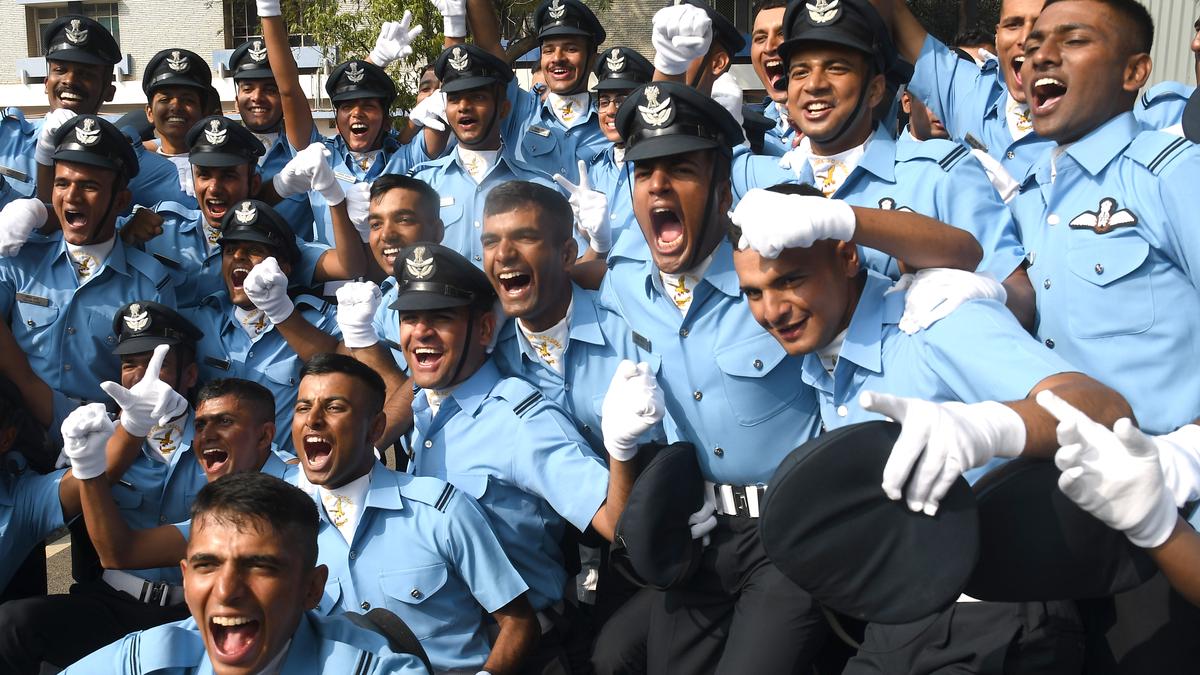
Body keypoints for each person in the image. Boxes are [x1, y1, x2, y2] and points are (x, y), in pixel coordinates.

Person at [594, 80, 981, 673]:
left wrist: (844, 218)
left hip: (793, 530)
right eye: (644, 173)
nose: (658, 186)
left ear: (724, 187)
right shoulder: (627, 280)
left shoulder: (781, 260)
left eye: (681, 170)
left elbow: (962, 251)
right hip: (699, 530)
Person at [731, 181, 1135, 672]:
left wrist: (984, 426)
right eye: (754, 292)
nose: (772, 311)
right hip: (901, 618)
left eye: (791, 280)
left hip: (999, 617)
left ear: (847, 258)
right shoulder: (822, 355)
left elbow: (1104, 410)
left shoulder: (933, 320)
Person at [337, 242, 656, 671]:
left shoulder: (519, 421)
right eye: (410, 318)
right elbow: (410, 386)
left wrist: (621, 449)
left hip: (520, 654)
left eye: (441, 318)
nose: (421, 332)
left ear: (485, 331)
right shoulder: (422, 405)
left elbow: (617, 526)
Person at [291, 353, 539, 673]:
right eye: (302, 407)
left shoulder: (440, 511)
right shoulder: (285, 534)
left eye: (334, 407)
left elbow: (518, 622)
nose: (313, 419)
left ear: (376, 427)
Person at [63, 471, 432, 674]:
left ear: (311, 589)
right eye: (207, 565)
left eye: (260, 566)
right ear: (185, 577)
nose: (226, 590)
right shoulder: (150, 660)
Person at [0, 316, 206, 671]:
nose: (141, 377)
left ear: (189, 376)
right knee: (15, 623)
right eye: (130, 365)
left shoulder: (218, 442)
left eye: (157, 364)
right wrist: (59, 595)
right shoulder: (94, 432)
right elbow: (57, 534)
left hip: (190, 607)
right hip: (112, 600)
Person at [0, 115, 175, 439]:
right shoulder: (21, 258)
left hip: (103, 437)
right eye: (62, 183)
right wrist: (29, 387)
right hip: (17, 435)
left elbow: (148, 386)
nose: (72, 197)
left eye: (89, 186)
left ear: (121, 201)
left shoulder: (148, 283)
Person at [258, 0, 444, 246]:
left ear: (386, 120)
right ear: (336, 120)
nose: (357, 114)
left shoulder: (406, 157)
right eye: (346, 107)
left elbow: (450, 95)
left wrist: (454, 24)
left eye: (368, 106)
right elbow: (289, 90)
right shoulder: (319, 156)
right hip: (336, 282)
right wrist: (268, 8)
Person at [141, 115, 364, 307]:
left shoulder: (272, 242)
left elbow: (348, 266)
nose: (214, 188)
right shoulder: (160, 227)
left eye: (228, 176)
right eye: (204, 175)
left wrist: (333, 195)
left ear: (254, 184)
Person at [185, 199, 340, 452]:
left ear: (284, 269)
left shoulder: (318, 322)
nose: (238, 257)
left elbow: (343, 372)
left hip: (285, 476)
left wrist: (281, 311)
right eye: (230, 250)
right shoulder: (200, 320)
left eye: (253, 250)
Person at [409, 43, 566, 267]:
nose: (463, 107)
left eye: (477, 97)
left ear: (503, 109)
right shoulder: (423, 184)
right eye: (454, 99)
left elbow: (564, 268)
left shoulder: (540, 187)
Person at [883, 0, 1055, 179]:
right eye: (1013, 25)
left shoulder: (1082, 122)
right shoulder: (970, 93)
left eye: (1039, 25)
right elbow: (894, 11)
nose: (1025, 38)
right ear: (998, 36)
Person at [586, 46, 655, 246]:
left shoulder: (659, 165)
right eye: (604, 101)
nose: (611, 110)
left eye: (622, 101)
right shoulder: (595, 169)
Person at [140, 48, 212, 200]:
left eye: (188, 100)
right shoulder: (134, 167)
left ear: (204, 112)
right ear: (149, 113)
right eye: (165, 99)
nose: (176, 107)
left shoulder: (225, 167)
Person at [748, 0, 796, 155]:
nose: (769, 47)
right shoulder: (742, 125)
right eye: (760, 38)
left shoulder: (850, 129)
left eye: (783, 34)